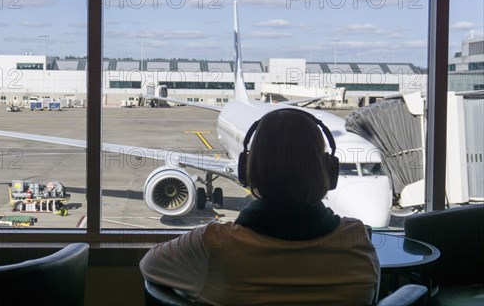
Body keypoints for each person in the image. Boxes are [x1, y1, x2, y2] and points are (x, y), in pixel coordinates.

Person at [140, 108, 380, 305]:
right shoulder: (357, 242)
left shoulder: (214, 245)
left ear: (247, 171)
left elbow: (149, 266)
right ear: (329, 171)